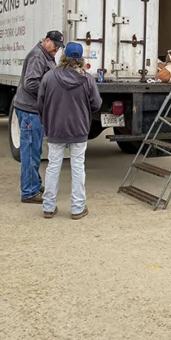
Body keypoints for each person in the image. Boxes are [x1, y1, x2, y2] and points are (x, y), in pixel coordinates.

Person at [36, 42, 102, 220]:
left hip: (55, 129)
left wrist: (46, 121)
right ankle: (77, 208)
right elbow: (96, 104)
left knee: (53, 167)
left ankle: (48, 207)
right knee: (78, 167)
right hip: (79, 129)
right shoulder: (87, 79)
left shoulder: (49, 77)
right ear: (80, 58)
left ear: (63, 56)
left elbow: (40, 103)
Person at [12, 30, 64, 203]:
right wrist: (51, 92)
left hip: (34, 110)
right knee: (30, 151)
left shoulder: (46, 56)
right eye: (55, 45)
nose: (56, 49)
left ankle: (34, 183)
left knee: (35, 150)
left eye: (58, 47)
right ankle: (29, 192)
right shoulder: (37, 56)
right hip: (29, 110)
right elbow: (31, 83)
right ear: (47, 40)